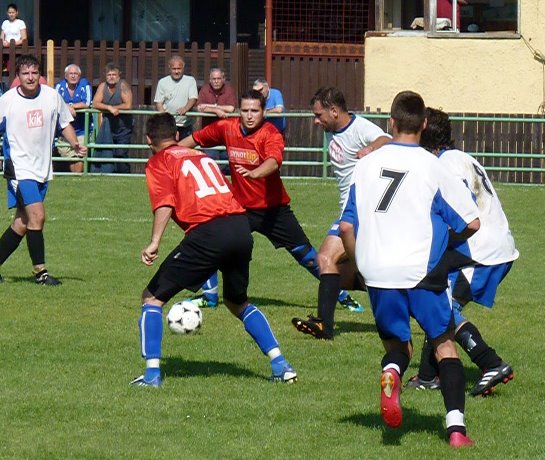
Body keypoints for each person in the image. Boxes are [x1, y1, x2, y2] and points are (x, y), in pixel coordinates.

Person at [338, 91, 479, 447]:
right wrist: (446, 240)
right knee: (445, 345)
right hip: (421, 270)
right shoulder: (434, 167)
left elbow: (346, 227)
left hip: (378, 271)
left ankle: (391, 373)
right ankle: (457, 430)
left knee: (399, 347)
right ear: (425, 124)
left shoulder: (366, 164)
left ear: (391, 122)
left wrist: (360, 265)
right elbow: (472, 223)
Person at [131, 112, 297, 387]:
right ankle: (280, 364)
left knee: (151, 298)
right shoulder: (203, 157)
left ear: (148, 140)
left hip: (207, 232)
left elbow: (165, 203)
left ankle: (151, 376)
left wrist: (155, 241)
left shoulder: (159, 162)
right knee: (237, 302)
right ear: (175, 136)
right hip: (239, 227)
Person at [179, 90, 357, 312]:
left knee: (305, 254)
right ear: (239, 111)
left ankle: (340, 293)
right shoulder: (227, 128)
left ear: (264, 112)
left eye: (255, 110)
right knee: (212, 241)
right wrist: (169, 153)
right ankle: (210, 297)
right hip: (239, 209)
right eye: (245, 110)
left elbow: (273, 161)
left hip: (273, 210)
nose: (250, 115)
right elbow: (195, 139)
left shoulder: (270, 133)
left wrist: (256, 173)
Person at [405, 108, 517, 397]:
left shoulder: (444, 165)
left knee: (443, 306)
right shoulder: (460, 157)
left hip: (480, 250)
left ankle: (490, 362)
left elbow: (464, 212)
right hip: (493, 246)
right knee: (434, 296)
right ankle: (430, 375)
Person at [292, 86, 392, 340]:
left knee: (325, 258)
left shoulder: (359, 128)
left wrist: (370, 150)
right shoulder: (333, 130)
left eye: (319, 115)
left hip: (360, 209)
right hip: (350, 208)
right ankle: (388, 291)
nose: (316, 121)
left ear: (334, 111)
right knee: (341, 274)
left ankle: (325, 325)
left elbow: (386, 140)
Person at [0, 55, 86, 285]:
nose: (30, 77)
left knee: (23, 222)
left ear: (40, 75)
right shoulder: (8, 101)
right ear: (17, 76)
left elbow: (64, 123)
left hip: (42, 169)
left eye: (34, 73)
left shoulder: (51, 96)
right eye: (25, 73)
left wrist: (75, 143)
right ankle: (41, 273)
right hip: (19, 168)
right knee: (37, 215)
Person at [91, 62, 132, 173]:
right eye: (109, 75)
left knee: (121, 153)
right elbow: (95, 103)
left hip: (123, 126)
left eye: (114, 74)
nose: (111, 77)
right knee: (108, 151)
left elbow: (128, 105)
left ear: (119, 75)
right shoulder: (102, 86)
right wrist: (109, 108)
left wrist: (115, 108)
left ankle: (124, 176)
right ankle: (109, 174)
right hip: (108, 126)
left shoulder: (123, 85)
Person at [196, 67, 236, 173]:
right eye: (214, 79)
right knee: (210, 159)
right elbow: (200, 107)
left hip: (225, 133)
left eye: (219, 78)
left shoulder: (229, 90)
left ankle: (225, 184)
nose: (216, 81)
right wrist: (217, 110)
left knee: (226, 161)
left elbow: (231, 108)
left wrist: (210, 108)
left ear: (223, 79)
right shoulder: (205, 89)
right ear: (210, 79)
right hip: (208, 132)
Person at [54, 64, 92, 173]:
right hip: (64, 129)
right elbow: (55, 102)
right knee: (69, 155)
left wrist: (71, 106)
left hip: (81, 129)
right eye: (71, 73)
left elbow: (86, 103)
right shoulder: (59, 86)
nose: (73, 76)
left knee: (79, 154)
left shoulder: (85, 85)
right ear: (66, 76)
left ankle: (78, 176)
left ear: (79, 76)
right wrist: (66, 107)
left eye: (76, 74)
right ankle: (75, 177)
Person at [154, 55, 198, 140]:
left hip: (185, 124)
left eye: (179, 68)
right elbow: (158, 102)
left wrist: (185, 108)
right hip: (168, 125)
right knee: (168, 149)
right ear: (169, 68)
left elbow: (193, 98)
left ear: (183, 68)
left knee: (184, 150)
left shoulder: (190, 80)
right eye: (174, 69)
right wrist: (164, 116)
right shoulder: (162, 82)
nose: (176, 71)